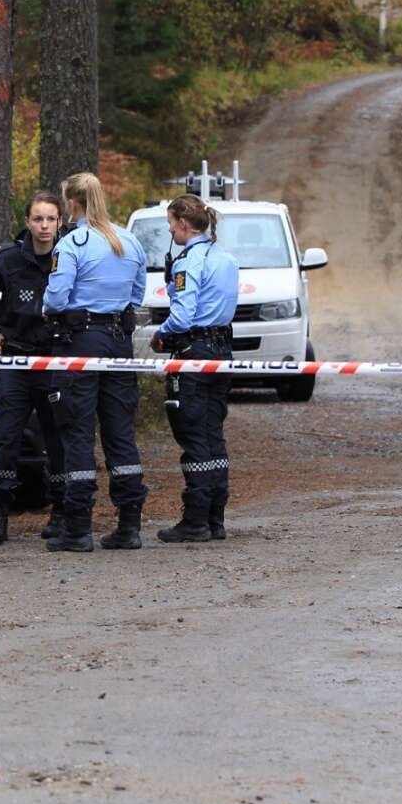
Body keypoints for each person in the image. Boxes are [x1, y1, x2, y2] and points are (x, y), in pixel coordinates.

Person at [41, 172, 148, 552]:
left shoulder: (73, 244)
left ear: (72, 203)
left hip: (81, 341)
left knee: (77, 431)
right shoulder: (129, 241)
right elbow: (138, 294)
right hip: (119, 342)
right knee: (120, 432)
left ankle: (77, 528)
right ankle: (129, 525)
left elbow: (56, 298)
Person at [0, 191, 70, 545]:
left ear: (60, 222)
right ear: (27, 222)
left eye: (51, 219)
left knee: (57, 439)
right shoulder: (8, 258)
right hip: (15, 358)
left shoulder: (68, 258)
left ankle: (61, 512)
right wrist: (1, 326)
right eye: (38, 219)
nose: (44, 226)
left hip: (53, 360)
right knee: (4, 437)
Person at [152, 194, 241, 543]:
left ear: (184, 224)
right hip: (222, 351)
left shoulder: (189, 262)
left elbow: (182, 316)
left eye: (171, 223)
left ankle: (195, 520)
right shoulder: (226, 258)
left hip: (194, 352)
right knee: (213, 432)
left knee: (192, 434)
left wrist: (160, 335)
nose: (170, 230)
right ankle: (216, 518)